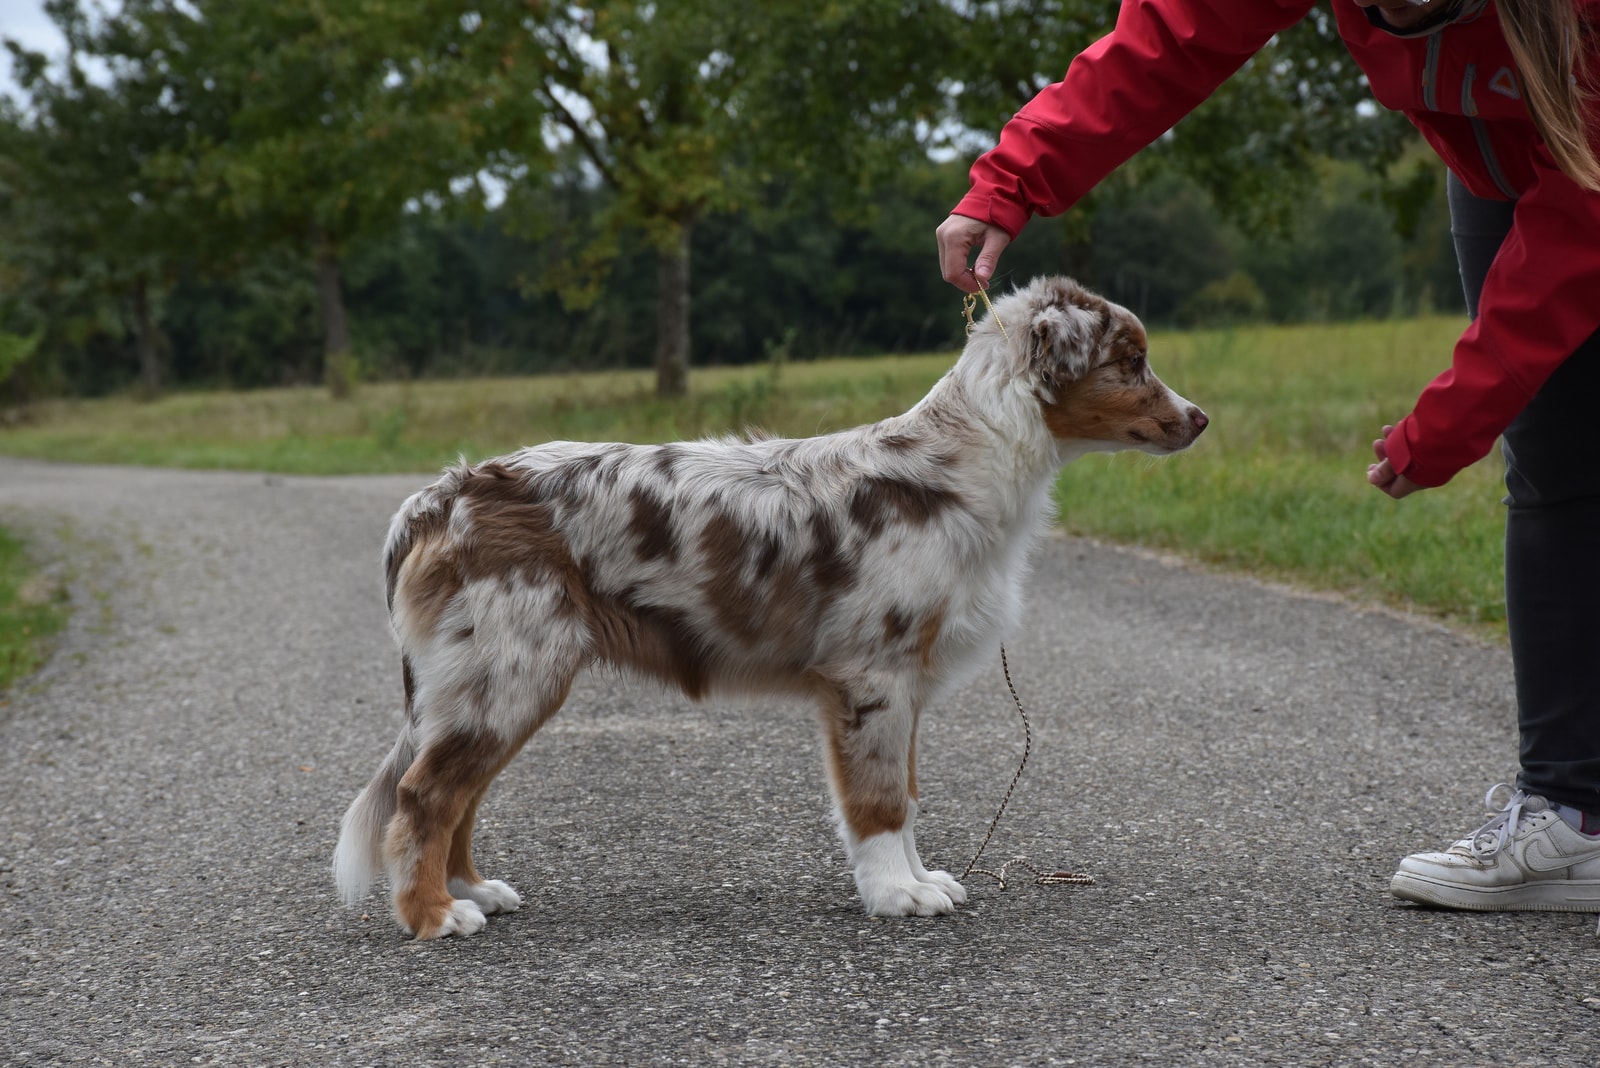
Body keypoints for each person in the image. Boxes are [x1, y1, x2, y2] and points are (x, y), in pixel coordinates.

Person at [938, 0, 1600, 913]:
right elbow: (1166, 40)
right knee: (1559, 466)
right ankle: (1572, 817)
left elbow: (1580, 228)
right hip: (1504, 170)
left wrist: (1452, 420)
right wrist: (1010, 180)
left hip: (1582, 174)